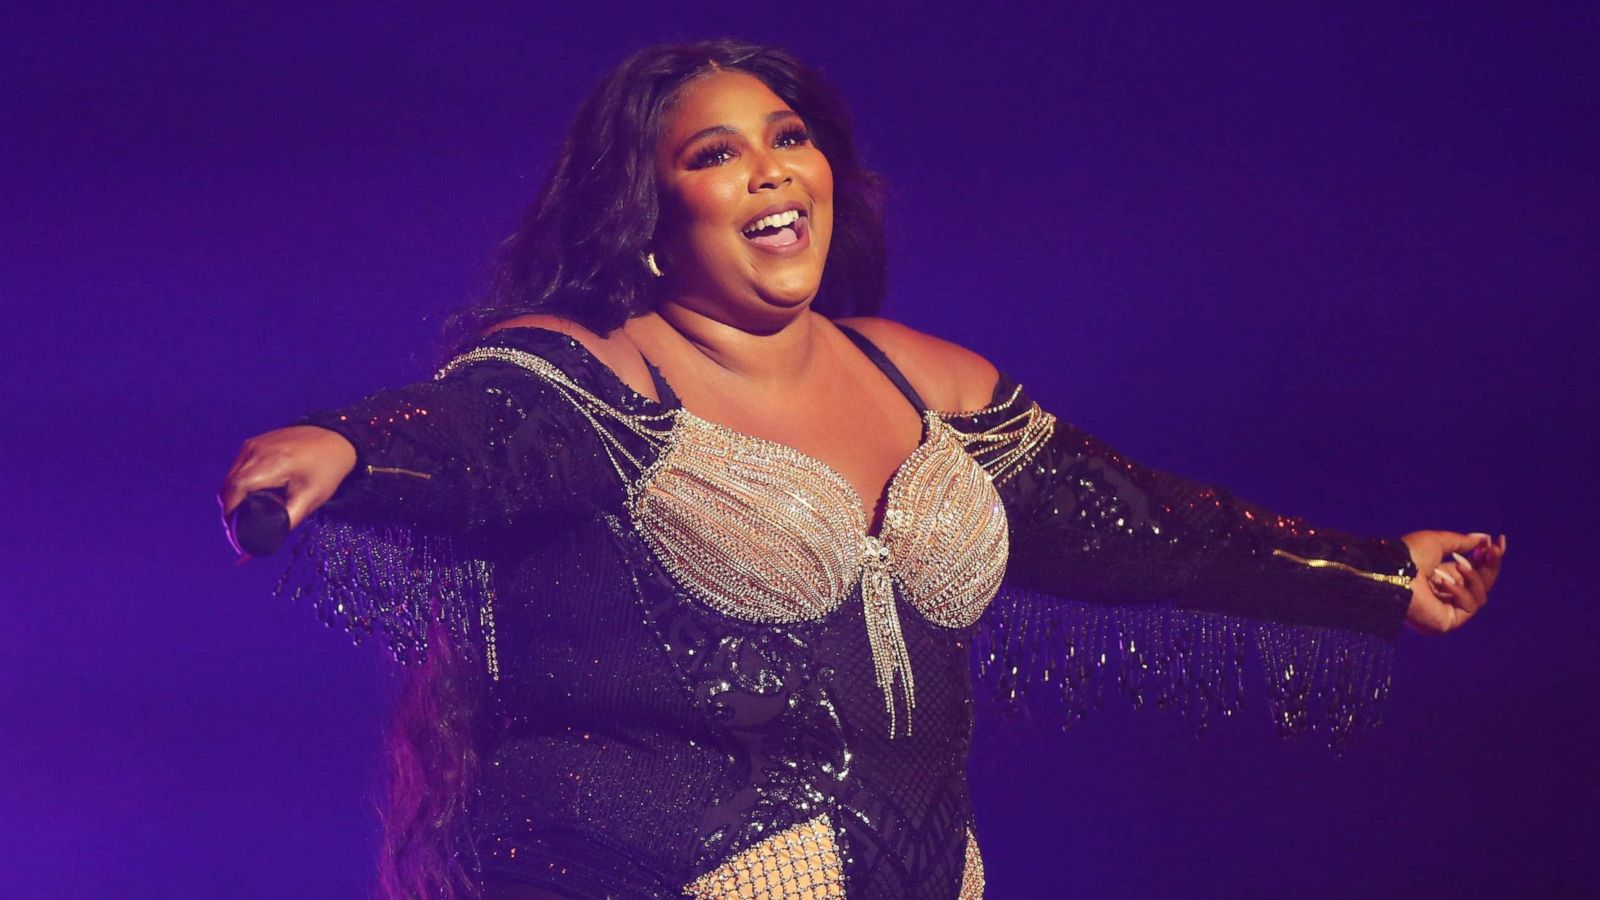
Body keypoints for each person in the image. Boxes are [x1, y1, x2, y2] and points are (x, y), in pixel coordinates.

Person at [218, 38, 1505, 900]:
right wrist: (346, 445)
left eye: (787, 137)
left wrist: (1377, 574)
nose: (770, 170)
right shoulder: (601, 369)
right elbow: (479, 434)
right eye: (713, 153)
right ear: (648, 212)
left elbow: (1149, 528)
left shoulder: (920, 377)